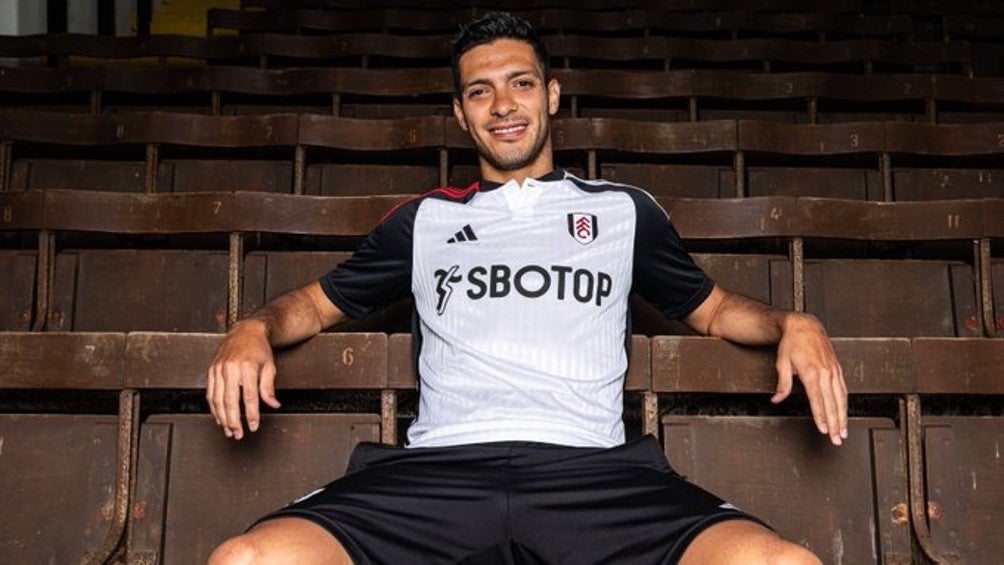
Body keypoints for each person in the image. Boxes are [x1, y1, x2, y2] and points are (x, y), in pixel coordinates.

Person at [206, 11, 847, 565]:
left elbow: (715, 310)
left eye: (521, 83)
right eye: (479, 91)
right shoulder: (424, 220)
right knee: (246, 559)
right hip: (438, 476)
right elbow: (312, 305)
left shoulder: (623, 212)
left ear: (552, 95)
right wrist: (252, 328)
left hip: (592, 476)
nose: (503, 105)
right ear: (460, 114)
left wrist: (794, 324)